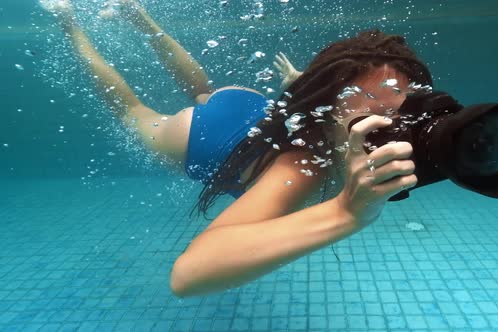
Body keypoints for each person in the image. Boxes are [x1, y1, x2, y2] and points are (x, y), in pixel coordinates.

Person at [43, 0, 431, 297]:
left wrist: (304, 86)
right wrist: (346, 212)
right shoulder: (302, 169)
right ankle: (70, 23)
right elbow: (188, 275)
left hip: (249, 105)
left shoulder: (325, 112)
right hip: (206, 138)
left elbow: (335, 113)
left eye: (401, 111)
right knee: (132, 110)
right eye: (379, 115)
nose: (394, 125)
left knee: (202, 90)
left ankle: (137, 15)